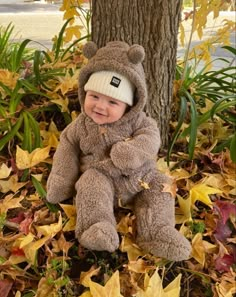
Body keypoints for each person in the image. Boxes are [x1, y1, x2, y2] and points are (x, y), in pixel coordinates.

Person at [46, 41, 191, 261]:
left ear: (129, 105)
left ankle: (156, 232)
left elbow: (151, 139)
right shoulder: (80, 126)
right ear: (85, 93)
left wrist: (131, 152)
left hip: (142, 177)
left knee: (161, 187)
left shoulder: (140, 122)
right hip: (103, 177)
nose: (100, 106)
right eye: (94, 96)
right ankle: (96, 226)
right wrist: (60, 182)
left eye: (112, 101)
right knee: (89, 184)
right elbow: (66, 152)